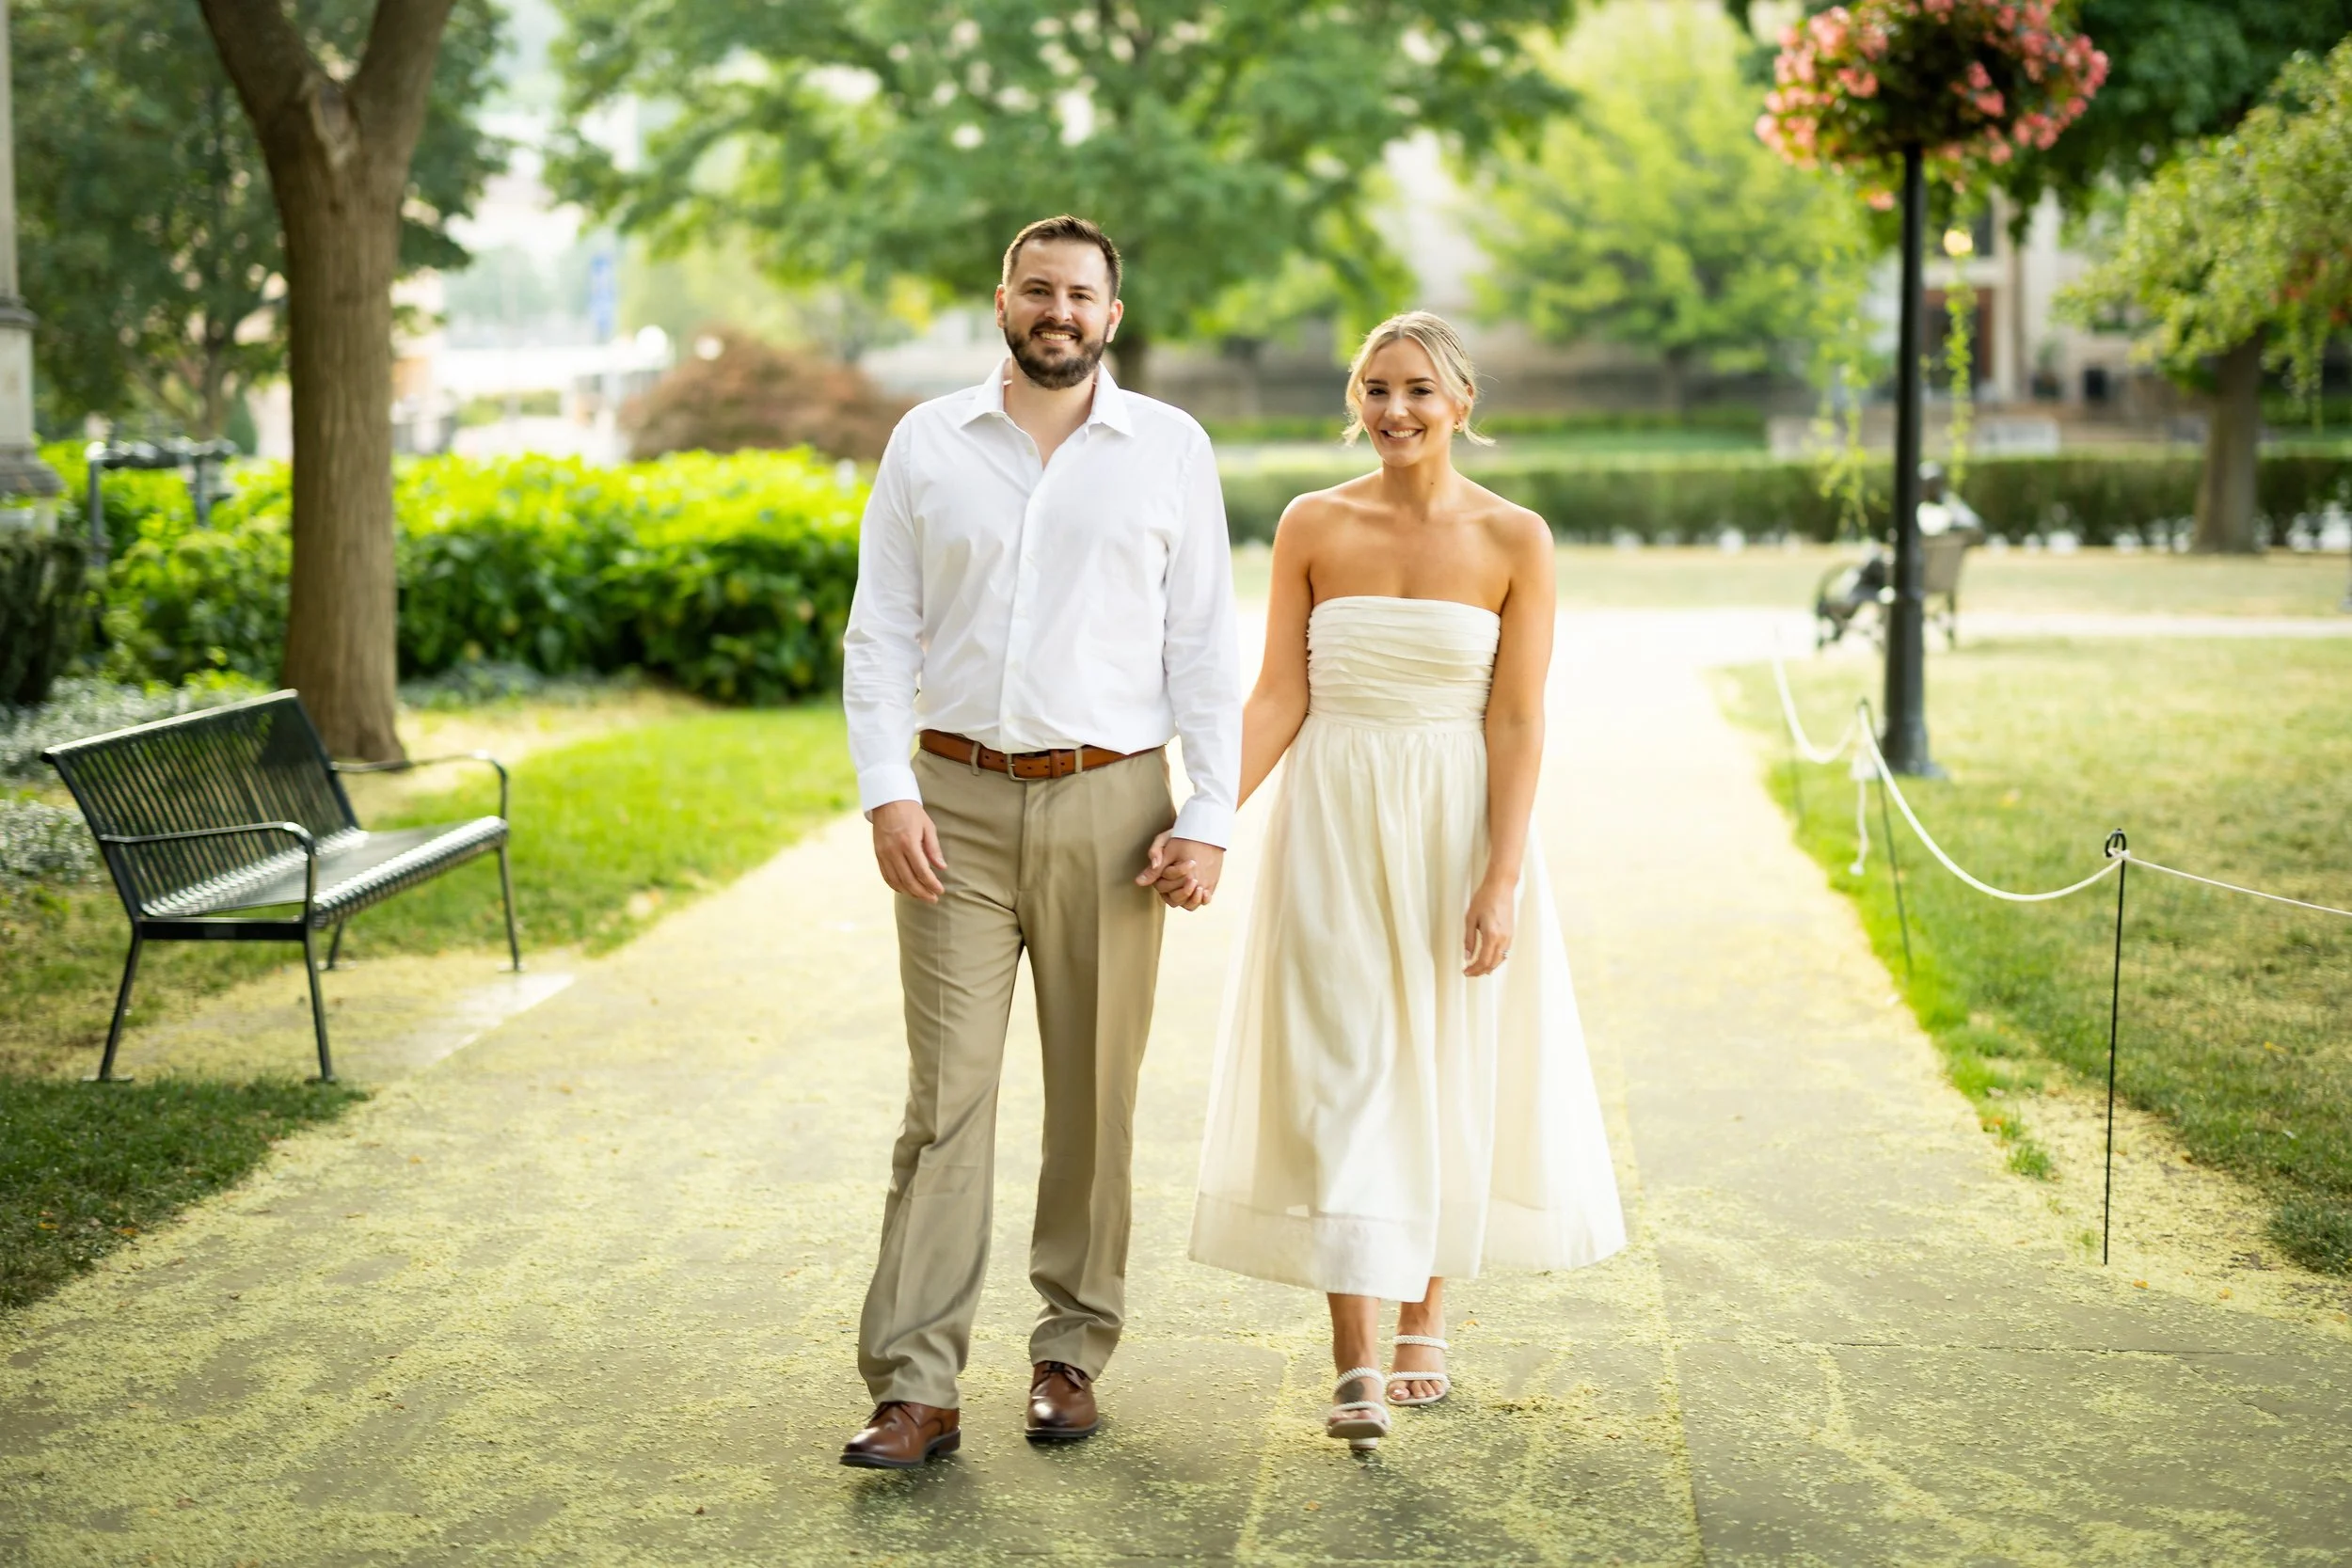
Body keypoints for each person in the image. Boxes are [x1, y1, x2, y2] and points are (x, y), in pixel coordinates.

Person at [836, 214, 1241, 1469]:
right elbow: (878, 632)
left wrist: (1211, 813)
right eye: (1036, 289)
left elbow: (1204, 645)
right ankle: (917, 1382)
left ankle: (1071, 1351)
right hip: (949, 804)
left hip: (1116, 807)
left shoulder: (1170, 448)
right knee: (945, 1101)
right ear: (1001, 301)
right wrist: (882, 788)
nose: (1057, 310)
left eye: (1081, 294)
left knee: (1093, 1100)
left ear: (1111, 316)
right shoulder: (927, 441)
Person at [1188, 311, 1625, 1450]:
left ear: (1462, 402)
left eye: (1418, 390)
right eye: (1375, 389)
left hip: (1453, 817)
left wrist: (1502, 872)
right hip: (1330, 815)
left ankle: (1429, 1308)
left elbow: (1520, 715)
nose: (1394, 411)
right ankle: (1354, 1358)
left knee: (1447, 1058)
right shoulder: (1311, 523)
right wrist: (1201, 824)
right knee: (1344, 1063)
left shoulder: (1515, 537)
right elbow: (1277, 694)